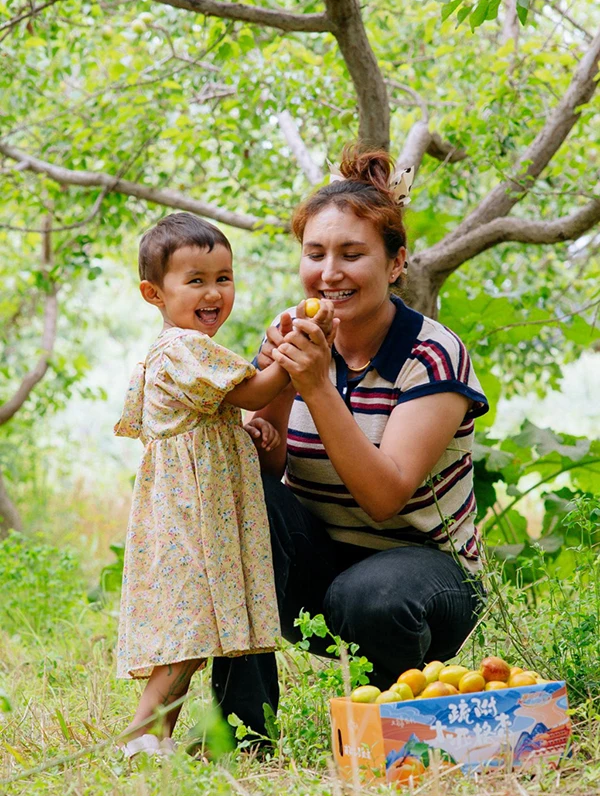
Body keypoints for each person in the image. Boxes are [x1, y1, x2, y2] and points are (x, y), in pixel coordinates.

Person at [211, 147, 489, 739]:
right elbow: (274, 461)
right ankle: (242, 727)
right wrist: (266, 428)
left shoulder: (431, 355)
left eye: (352, 254)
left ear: (395, 265)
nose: (329, 272)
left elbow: (385, 496)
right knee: (234, 493)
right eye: (315, 254)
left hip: (426, 579)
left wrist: (316, 386)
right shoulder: (291, 332)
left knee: (369, 595)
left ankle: (397, 718)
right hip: (322, 564)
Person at [113, 212, 335, 758]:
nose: (214, 292)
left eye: (223, 277)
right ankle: (140, 737)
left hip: (192, 509)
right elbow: (256, 387)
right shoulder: (185, 347)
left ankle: (156, 741)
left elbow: (213, 415)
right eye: (195, 281)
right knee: (187, 633)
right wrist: (299, 349)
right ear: (153, 293)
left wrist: (244, 429)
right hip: (193, 516)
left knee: (194, 629)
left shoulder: (182, 349)